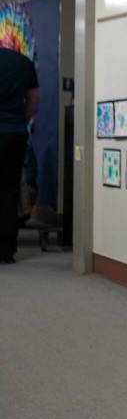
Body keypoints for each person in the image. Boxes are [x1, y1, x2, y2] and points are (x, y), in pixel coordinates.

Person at [0, 43, 38, 265]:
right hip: (15, 134)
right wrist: (20, 122)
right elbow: (33, 100)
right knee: (9, 191)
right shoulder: (24, 63)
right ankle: (6, 251)